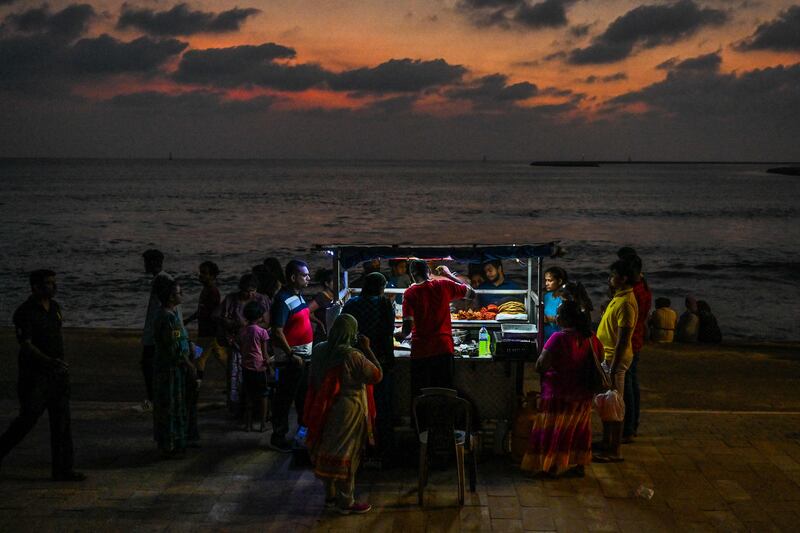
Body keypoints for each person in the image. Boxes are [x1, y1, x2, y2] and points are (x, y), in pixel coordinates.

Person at [0, 270, 85, 481]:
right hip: (35, 376)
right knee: (26, 420)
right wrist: (48, 361)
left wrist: (59, 365)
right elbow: (26, 344)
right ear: (35, 287)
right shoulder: (25, 312)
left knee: (62, 423)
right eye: (48, 283)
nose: (53, 287)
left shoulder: (55, 308)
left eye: (54, 283)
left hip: (57, 375)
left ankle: (63, 468)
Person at [304, 314, 382, 515]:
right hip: (348, 408)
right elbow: (376, 375)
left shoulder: (320, 349)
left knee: (328, 448)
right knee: (347, 453)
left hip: (324, 406)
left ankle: (330, 496)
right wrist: (367, 348)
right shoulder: (352, 355)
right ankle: (346, 501)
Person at [522, 301, 602, 478]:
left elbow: (541, 365)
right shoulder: (592, 338)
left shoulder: (558, 338)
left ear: (566, 318)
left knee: (554, 430)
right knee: (578, 428)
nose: (556, 316)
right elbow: (600, 358)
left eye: (559, 313)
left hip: (558, 393)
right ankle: (580, 464)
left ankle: (551, 467)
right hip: (582, 394)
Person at [395, 260, 475, 399]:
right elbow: (472, 293)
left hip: (421, 351)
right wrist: (449, 275)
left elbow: (407, 329)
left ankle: (421, 421)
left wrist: (398, 334)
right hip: (443, 349)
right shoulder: (444, 285)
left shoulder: (409, 293)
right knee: (444, 393)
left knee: (420, 395)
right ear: (429, 272)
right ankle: (443, 420)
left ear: (412, 275)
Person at [343, 272, 396, 463]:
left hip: (356, 361)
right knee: (382, 406)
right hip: (379, 360)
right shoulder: (384, 304)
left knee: (361, 405)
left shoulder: (351, 304)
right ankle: (384, 449)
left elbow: (344, 327)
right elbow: (389, 332)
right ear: (381, 287)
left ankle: (361, 448)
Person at [594, 259, 637, 462]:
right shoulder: (618, 298)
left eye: (613, 275)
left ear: (623, 278)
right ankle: (606, 442)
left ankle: (614, 450)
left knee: (615, 404)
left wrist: (611, 370)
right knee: (607, 403)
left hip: (614, 360)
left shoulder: (626, 302)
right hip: (607, 357)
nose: (610, 279)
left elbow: (623, 339)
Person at [270, 260, 314, 452]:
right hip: (292, 360)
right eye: (305, 275)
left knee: (303, 397)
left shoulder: (298, 296)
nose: (308, 278)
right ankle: (278, 437)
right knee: (284, 398)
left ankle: (302, 433)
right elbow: (277, 331)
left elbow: (299, 318)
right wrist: (290, 354)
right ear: (293, 277)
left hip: (304, 358)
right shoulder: (282, 300)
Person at [215, 274, 271, 416]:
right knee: (236, 376)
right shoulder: (231, 300)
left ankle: (256, 411)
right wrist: (234, 324)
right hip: (236, 344)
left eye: (253, 291)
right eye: (247, 291)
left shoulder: (261, 299)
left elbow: (266, 322)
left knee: (254, 379)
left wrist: (249, 327)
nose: (250, 294)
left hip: (254, 345)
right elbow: (220, 317)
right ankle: (237, 408)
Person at [152, 278, 197, 458]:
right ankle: (172, 443)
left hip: (167, 367)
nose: (181, 295)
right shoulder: (169, 319)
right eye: (179, 292)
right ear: (171, 297)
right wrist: (188, 363)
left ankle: (171, 442)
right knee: (172, 405)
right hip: (171, 370)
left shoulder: (164, 315)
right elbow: (174, 346)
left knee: (169, 405)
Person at [617, 249, 652, 443]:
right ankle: (632, 425)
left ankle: (628, 427)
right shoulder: (643, 286)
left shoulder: (635, 292)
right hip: (636, 338)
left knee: (628, 385)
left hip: (630, 339)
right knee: (632, 382)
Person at [141, 249, 172, 412]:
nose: (145, 265)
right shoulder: (161, 279)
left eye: (146, 262)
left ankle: (154, 398)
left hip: (156, 334)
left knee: (149, 365)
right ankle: (155, 398)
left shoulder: (162, 280)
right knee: (150, 365)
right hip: (154, 332)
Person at [184, 261, 225, 384]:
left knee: (199, 358)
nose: (201, 275)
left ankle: (197, 383)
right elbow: (201, 311)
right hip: (207, 332)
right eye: (201, 272)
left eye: (204, 273)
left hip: (208, 333)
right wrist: (189, 319)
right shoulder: (206, 290)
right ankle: (236, 378)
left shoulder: (212, 292)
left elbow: (213, 313)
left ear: (212, 276)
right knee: (222, 357)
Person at [239, 301, 272, 432]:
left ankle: (248, 425)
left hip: (246, 367)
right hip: (259, 368)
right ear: (259, 317)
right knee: (263, 396)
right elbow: (265, 355)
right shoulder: (262, 332)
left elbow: (242, 348)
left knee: (249, 397)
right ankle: (263, 425)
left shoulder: (243, 331)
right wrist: (270, 365)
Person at [543, 266, 568, 341]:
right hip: (545, 336)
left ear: (559, 281)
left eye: (550, 280)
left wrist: (547, 319)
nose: (546, 283)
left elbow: (565, 319)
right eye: (546, 280)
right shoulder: (547, 296)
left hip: (559, 338)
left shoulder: (565, 298)